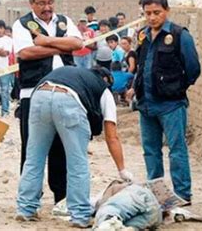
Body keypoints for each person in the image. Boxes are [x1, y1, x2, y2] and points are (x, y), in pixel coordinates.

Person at [16, 66, 134, 227]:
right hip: (68, 100)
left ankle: (25, 209)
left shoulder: (75, 74)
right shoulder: (103, 90)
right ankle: (79, 214)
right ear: (106, 80)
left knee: (34, 159)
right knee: (77, 163)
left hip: (39, 94)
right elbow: (112, 136)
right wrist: (122, 169)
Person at [126, 0, 201, 204]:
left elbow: (193, 68)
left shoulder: (179, 35)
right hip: (146, 104)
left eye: (156, 12)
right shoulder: (142, 35)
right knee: (150, 151)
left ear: (166, 11)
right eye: (147, 13)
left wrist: (176, 87)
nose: (151, 17)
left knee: (177, 150)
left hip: (171, 105)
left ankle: (182, 194)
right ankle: (156, 193)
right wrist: (135, 87)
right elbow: (141, 65)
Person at [12, 0, 83, 204]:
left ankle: (60, 197)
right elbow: (26, 52)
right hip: (32, 94)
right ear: (31, 3)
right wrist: (61, 47)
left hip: (63, 92)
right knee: (31, 150)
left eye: (50, 2)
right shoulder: (21, 24)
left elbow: (78, 43)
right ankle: (30, 199)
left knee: (61, 150)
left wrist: (46, 41)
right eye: (41, 3)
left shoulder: (64, 21)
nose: (47, 7)